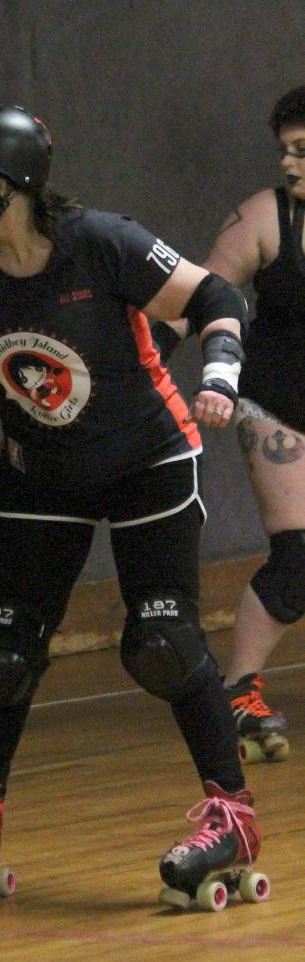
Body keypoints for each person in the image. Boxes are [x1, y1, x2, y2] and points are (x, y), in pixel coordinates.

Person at [0, 103, 264, 909]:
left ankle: (233, 814)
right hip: (40, 470)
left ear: (8, 188)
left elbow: (217, 295)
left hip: (148, 459)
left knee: (163, 641)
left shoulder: (102, 241)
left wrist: (218, 376)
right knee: (4, 649)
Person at [152, 85, 305, 764]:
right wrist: (144, 364)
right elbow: (203, 296)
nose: (290, 165)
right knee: (300, 558)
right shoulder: (267, 217)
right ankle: (237, 687)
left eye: (303, 150)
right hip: (277, 403)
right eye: (285, 151)